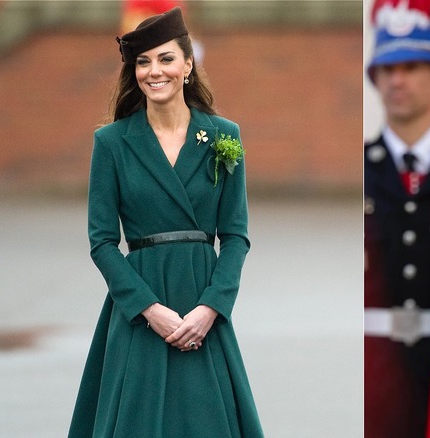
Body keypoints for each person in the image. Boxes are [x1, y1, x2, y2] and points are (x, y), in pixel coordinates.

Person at [68, 7, 263, 437]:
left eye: (166, 58)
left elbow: (235, 236)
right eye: (144, 62)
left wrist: (212, 308)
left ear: (188, 65)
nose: (154, 71)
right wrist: (149, 310)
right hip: (141, 306)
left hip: (201, 305)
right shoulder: (111, 142)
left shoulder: (224, 136)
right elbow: (102, 242)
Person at [364, 0, 430, 436]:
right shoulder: (360, 169)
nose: (396, 79)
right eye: (387, 69)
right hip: (373, 365)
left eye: (411, 66)